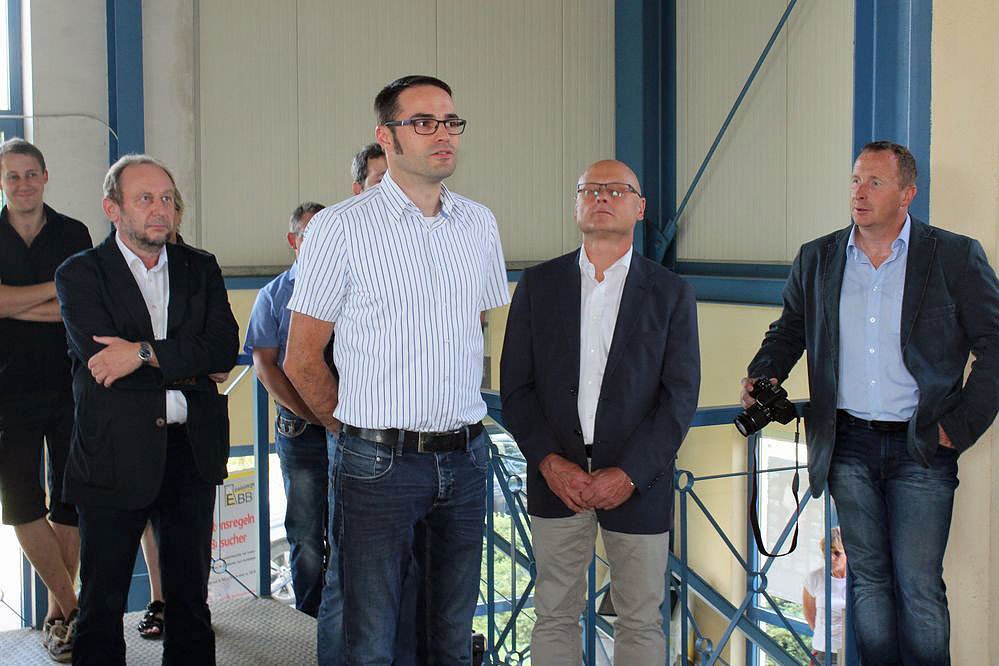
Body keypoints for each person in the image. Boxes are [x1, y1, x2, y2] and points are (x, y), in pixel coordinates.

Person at [742, 141, 998, 665]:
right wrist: (764, 372)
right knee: (869, 583)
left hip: (922, 445)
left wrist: (959, 427)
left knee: (919, 587)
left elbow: (995, 342)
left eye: (875, 183)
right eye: (856, 180)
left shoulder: (954, 256)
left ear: (907, 194)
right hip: (847, 443)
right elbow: (789, 330)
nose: (860, 192)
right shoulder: (818, 257)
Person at [285, 74, 509, 665]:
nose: (444, 134)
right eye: (424, 123)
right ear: (386, 136)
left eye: (451, 122)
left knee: (451, 638)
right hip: (376, 463)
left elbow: (476, 325)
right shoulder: (340, 227)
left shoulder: (479, 223)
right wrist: (352, 431)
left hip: (466, 458)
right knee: (368, 641)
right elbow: (301, 359)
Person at [500, 159, 700, 664]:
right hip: (556, 478)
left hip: (639, 481)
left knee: (640, 620)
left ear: (640, 207)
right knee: (554, 613)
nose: (602, 197)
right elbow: (516, 388)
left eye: (617, 190)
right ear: (576, 205)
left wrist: (630, 474)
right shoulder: (538, 285)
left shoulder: (671, 292)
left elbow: (679, 398)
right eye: (590, 190)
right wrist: (549, 462)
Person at [55, 154, 239, 665]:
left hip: (190, 452)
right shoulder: (80, 274)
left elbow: (223, 349)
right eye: (144, 199)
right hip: (113, 452)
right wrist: (187, 363)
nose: (160, 209)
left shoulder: (200, 267)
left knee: (190, 603)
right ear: (112, 209)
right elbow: (101, 364)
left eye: (167, 199)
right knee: (101, 603)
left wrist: (139, 353)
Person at [0, 137, 92, 661]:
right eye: (13, 176)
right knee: (20, 503)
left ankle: (60, 620)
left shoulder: (73, 233)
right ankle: (73, 609)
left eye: (30, 174)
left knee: (69, 499)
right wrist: (53, 291)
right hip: (6, 390)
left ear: (45, 176)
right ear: (2, 182)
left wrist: (11, 302)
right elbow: (61, 298)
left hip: (68, 382)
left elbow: (79, 306)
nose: (23, 184)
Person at [244, 201, 329, 619]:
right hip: (301, 430)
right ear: (293, 240)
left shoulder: (353, 290)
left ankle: (346, 625)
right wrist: (311, 413)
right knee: (307, 535)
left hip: (353, 430)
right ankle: (310, 624)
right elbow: (265, 366)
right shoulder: (274, 295)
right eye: (311, 235)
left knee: (354, 532)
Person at [803, 527, 847, 665]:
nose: (832, 557)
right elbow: (810, 616)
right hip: (823, 651)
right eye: (827, 552)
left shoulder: (859, 580)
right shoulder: (815, 578)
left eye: (837, 553)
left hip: (852, 650)